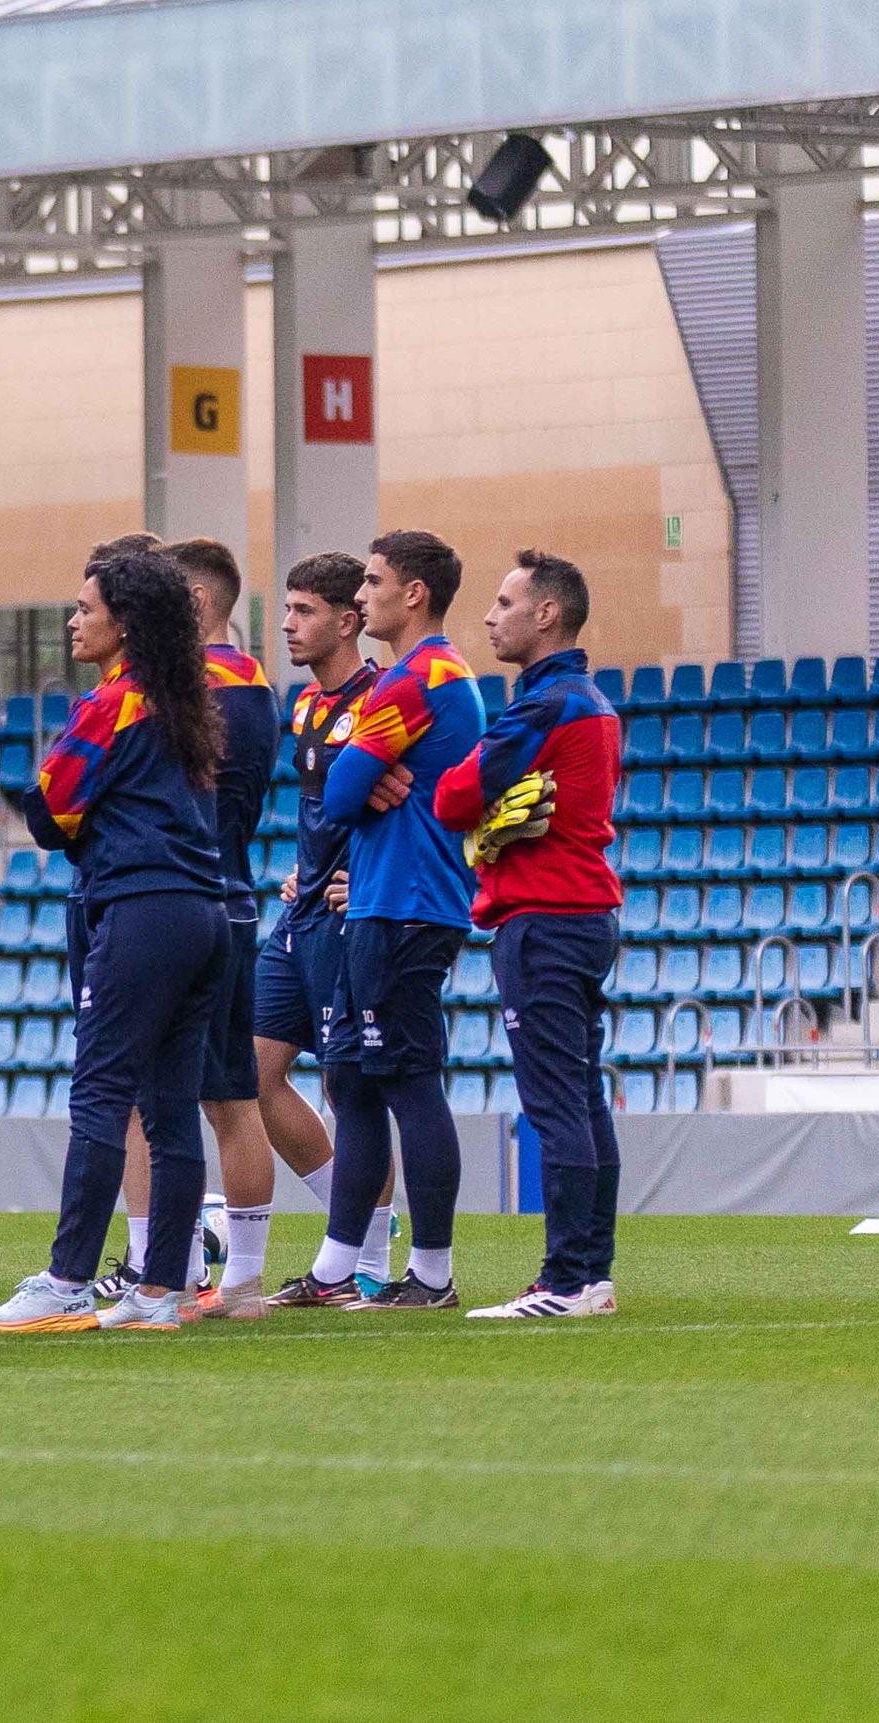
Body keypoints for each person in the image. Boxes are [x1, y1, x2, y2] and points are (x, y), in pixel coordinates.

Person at [0, 545, 241, 1334]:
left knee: (100, 1090)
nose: (73, 619)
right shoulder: (182, 699)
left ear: (123, 624)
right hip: (205, 913)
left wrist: (45, 797)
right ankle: (160, 1292)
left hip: (141, 906)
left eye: (86, 608)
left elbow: (54, 813)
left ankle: (66, 1280)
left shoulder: (112, 703)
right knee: (171, 1110)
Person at [431, 548, 626, 1319]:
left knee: (556, 1102)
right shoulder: (591, 700)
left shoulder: (545, 704)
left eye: (506, 601)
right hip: (582, 915)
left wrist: (478, 802)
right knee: (580, 1096)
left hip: (542, 916)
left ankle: (566, 1280)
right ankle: (591, 1273)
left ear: (548, 613)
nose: (490, 614)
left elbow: (454, 797)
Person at [306, 529, 485, 1310]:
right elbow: (341, 783)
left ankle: (434, 1274)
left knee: (410, 1082)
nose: (361, 594)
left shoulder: (416, 679)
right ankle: (343, 1265)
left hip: (408, 902)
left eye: (372, 582)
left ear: (413, 593)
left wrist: (362, 773)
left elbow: (340, 793)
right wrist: (361, 773)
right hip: (387, 897)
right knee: (359, 1079)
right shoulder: (430, 675)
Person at [159, 536, 288, 1316]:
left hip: (182, 899)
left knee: (168, 1098)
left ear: (198, 604)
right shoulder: (258, 687)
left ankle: (162, 1269)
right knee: (232, 1097)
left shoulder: (188, 687)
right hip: (236, 894)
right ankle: (240, 1277)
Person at [254, 550, 378, 1309]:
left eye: (303, 611)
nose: (290, 624)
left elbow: (412, 804)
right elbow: (319, 813)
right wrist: (307, 867)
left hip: (347, 916)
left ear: (347, 619)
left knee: (351, 1084)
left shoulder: (382, 703)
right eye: (288, 609)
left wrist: (362, 876)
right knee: (252, 1070)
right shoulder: (302, 708)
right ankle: (350, 1229)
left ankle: (365, 1259)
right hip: (300, 911)